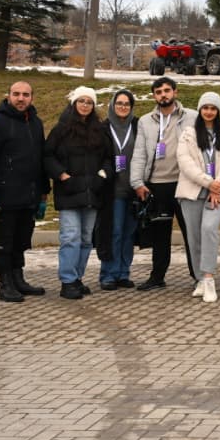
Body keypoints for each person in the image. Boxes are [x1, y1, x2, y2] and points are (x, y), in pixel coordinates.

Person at [0, 81, 49, 303]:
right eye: (16, 94)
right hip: (4, 196)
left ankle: (18, 279)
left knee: (21, 240)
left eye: (26, 95)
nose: (21, 98)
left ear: (32, 98)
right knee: (3, 242)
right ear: (8, 95)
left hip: (28, 195)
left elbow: (40, 159)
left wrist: (44, 190)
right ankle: (5, 283)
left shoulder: (36, 123)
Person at [44, 87, 114, 300]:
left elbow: (109, 158)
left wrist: (102, 175)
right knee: (70, 236)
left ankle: (77, 277)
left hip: (93, 191)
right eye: (81, 101)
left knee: (85, 239)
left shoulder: (100, 130)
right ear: (74, 103)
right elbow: (47, 156)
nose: (85, 105)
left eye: (89, 102)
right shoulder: (61, 129)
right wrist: (61, 175)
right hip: (69, 192)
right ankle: (67, 280)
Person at [130, 77, 198, 291]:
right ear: (154, 96)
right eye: (158, 92)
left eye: (167, 90)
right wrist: (137, 182)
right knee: (160, 234)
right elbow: (139, 153)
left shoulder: (192, 117)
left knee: (191, 232)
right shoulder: (145, 121)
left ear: (175, 93)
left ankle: (199, 275)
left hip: (184, 183)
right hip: (157, 185)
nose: (163, 95)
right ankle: (157, 276)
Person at [177, 92, 220, 303]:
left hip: (219, 192)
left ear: (218, 111)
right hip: (192, 191)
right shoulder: (188, 133)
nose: (209, 111)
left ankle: (210, 278)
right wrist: (208, 183)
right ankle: (200, 278)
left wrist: (217, 185)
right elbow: (185, 163)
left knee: (209, 229)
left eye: (213, 108)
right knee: (194, 236)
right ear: (200, 110)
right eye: (205, 108)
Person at [96, 89, 139, 291]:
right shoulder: (103, 128)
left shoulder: (137, 126)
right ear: (113, 105)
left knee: (129, 233)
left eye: (126, 104)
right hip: (112, 190)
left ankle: (123, 272)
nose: (123, 107)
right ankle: (108, 274)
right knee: (114, 232)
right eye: (119, 103)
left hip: (133, 189)